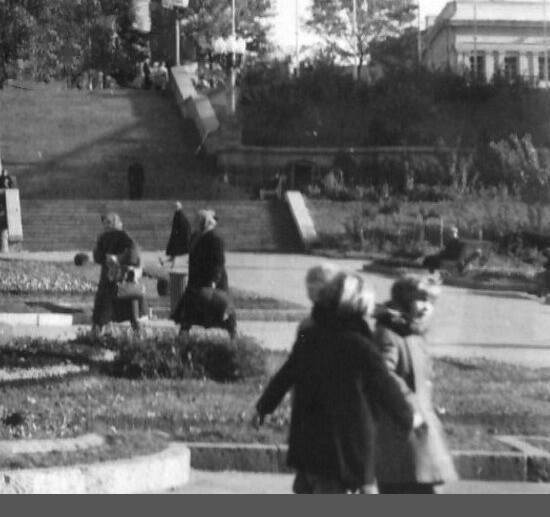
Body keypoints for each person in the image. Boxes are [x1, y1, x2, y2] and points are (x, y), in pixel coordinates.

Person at [252, 271, 421, 494]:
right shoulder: (361, 346)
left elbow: (287, 373)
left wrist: (263, 407)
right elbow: (385, 387)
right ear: (361, 306)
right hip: (344, 450)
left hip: (309, 447)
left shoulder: (310, 336)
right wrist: (408, 418)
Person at [373, 275, 457, 493]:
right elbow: (383, 374)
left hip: (417, 427)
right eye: (421, 300)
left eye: (431, 302)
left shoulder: (412, 332)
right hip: (402, 428)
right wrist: (410, 407)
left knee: (423, 484)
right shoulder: (390, 333)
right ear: (403, 300)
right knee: (409, 485)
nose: (427, 307)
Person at [172, 208, 237, 337]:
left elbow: (219, 262)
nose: (195, 223)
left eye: (197, 221)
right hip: (196, 280)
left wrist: (213, 281)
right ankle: (183, 337)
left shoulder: (215, 238)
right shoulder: (196, 236)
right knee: (188, 313)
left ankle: (233, 335)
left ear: (204, 222)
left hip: (211, 280)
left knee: (220, 309)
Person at [91, 212, 144, 334]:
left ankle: (138, 332)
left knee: (128, 305)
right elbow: (98, 256)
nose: (106, 225)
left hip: (121, 277)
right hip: (107, 277)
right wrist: (101, 254)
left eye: (109, 222)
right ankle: (96, 332)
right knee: (102, 306)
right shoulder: (103, 237)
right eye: (104, 223)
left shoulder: (123, 235)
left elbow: (134, 251)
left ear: (115, 222)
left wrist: (118, 258)